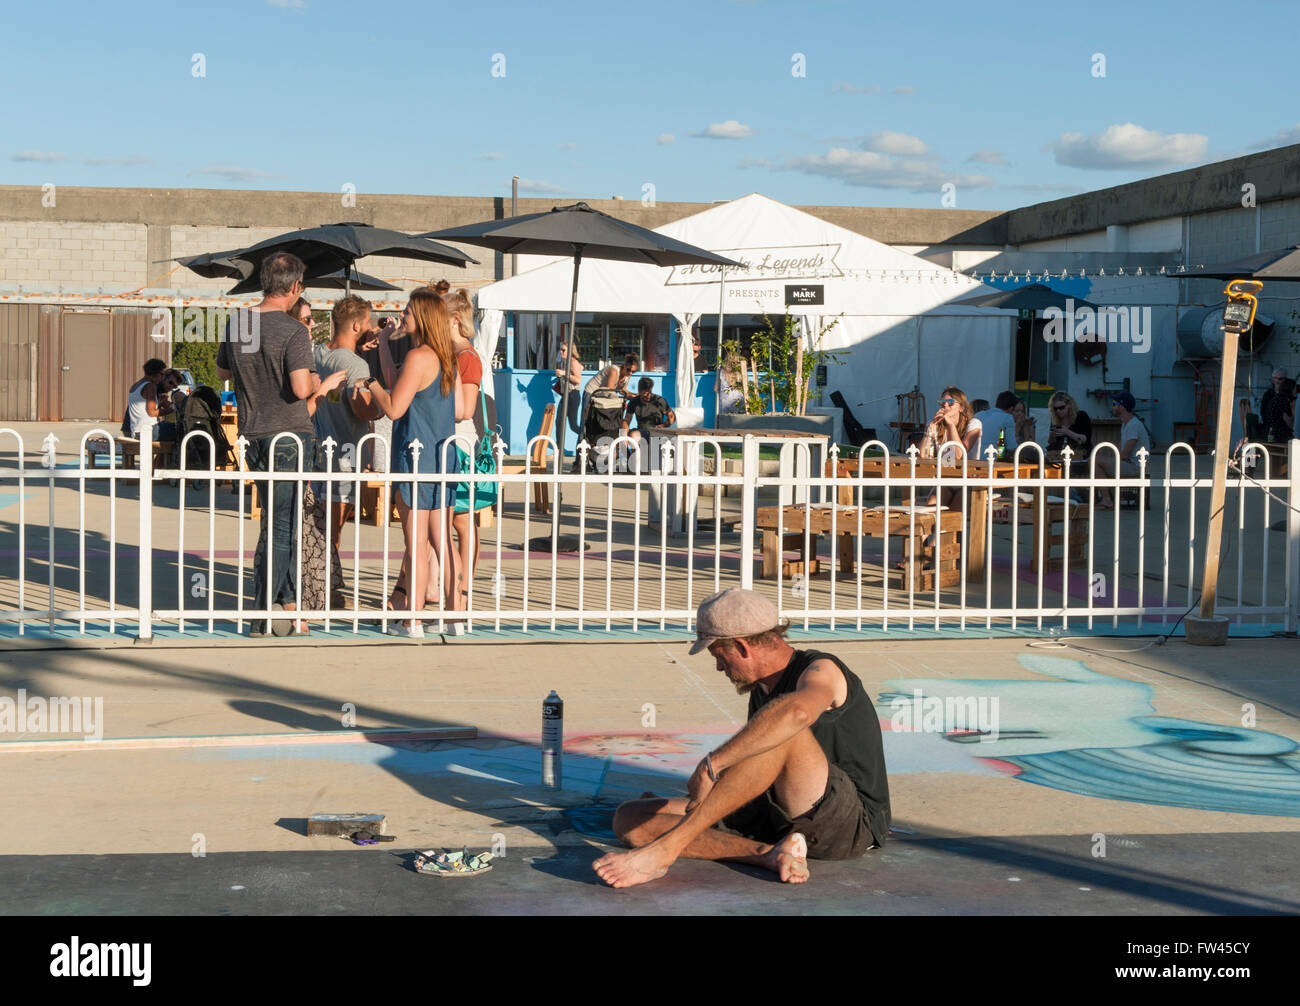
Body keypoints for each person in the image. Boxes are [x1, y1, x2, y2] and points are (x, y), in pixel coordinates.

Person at [593, 588, 890, 888]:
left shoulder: (821, 670)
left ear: (742, 646)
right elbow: (757, 771)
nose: (719, 667)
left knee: (782, 731)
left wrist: (713, 765)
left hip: (847, 824)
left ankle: (664, 852)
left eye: (718, 656)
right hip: (777, 814)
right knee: (632, 818)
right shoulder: (762, 691)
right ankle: (769, 855)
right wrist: (700, 799)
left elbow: (797, 714)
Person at [216, 251, 318, 636]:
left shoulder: (239, 323)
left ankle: (290, 604)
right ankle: (262, 612)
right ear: (294, 288)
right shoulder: (294, 331)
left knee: (275, 522)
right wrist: (314, 376)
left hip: (254, 433)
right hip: (289, 435)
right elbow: (299, 388)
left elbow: (223, 371)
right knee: (283, 525)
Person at [363, 288, 464, 637]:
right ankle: (455, 617)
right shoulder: (444, 356)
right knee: (443, 542)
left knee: (416, 542)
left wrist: (369, 382)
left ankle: (414, 620)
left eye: (407, 311)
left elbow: (393, 407)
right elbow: (408, 389)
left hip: (416, 458)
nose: (402, 316)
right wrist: (387, 348)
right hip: (441, 457)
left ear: (421, 317)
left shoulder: (421, 357)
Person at [312, 295, 383, 606]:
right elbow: (363, 409)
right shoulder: (356, 364)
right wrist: (382, 406)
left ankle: (320, 584)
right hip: (345, 454)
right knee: (332, 531)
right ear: (356, 325)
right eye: (367, 323)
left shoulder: (314, 354)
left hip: (314, 450)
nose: (369, 328)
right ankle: (324, 590)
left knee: (315, 525)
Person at [444, 287, 487, 614]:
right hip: (453, 441)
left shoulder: (467, 357)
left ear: (455, 321)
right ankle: (456, 589)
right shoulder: (456, 355)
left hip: (460, 444)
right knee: (456, 520)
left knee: (460, 520)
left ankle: (463, 589)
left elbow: (466, 409)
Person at [1095, 391, 1151, 509]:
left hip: (1135, 467)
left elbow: (1124, 454)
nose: (1112, 407)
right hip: (1127, 464)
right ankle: (1108, 497)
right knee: (1097, 459)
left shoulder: (1133, 425)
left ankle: (1107, 500)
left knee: (1095, 461)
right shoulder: (1125, 424)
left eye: (1114, 404)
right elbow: (1119, 449)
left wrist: (1106, 460)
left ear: (1122, 406)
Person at [125, 359, 179, 447]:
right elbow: (152, 412)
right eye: (162, 374)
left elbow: (142, 410)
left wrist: (159, 404)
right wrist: (173, 408)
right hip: (149, 431)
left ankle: (160, 460)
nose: (162, 378)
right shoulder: (151, 386)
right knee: (182, 429)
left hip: (136, 432)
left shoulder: (135, 385)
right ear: (156, 373)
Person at [971, 391, 1018, 459]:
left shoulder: (978, 415)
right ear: (1011, 409)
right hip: (991, 462)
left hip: (972, 460)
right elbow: (1012, 447)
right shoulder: (1008, 418)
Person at [554, 340, 585, 438]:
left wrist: (563, 373)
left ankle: (587, 438)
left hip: (573, 395)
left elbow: (578, 380)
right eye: (560, 350)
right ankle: (559, 449)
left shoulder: (573, 362)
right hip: (566, 395)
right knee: (559, 422)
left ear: (570, 351)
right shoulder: (565, 362)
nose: (561, 352)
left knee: (573, 425)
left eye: (563, 350)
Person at [1046, 391, 1092, 456]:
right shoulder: (1055, 420)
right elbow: (1051, 442)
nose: (1058, 411)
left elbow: (1085, 439)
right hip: (1059, 455)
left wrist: (1067, 432)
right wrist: (1051, 436)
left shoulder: (1081, 416)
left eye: (1061, 407)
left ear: (1069, 405)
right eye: (1055, 408)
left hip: (1080, 454)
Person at [1263, 377, 1296, 442]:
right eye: (1295, 388)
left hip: (1269, 433)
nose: (1296, 391)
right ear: (1290, 389)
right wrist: (1293, 408)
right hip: (1279, 435)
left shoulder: (1275, 398)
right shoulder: (1284, 401)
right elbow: (1291, 425)